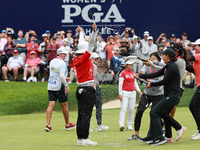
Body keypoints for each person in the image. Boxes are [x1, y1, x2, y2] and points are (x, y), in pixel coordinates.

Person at [137, 48, 186, 146]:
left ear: (167, 56)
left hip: (173, 96)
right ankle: (176, 129)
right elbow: (155, 74)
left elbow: (165, 81)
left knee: (155, 112)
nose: (162, 56)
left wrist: (152, 84)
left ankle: (159, 138)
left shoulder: (172, 67)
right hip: (170, 95)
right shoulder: (168, 66)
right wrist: (139, 76)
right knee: (161, 113)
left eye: (163, 55)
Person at [127, 52, 164, 141]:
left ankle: (161, 130)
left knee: (154, 114)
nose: (151, 60)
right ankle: (136, 134)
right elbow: (142, 77)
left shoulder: (161, 68)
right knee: (139, 112)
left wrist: (148, 83)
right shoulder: (146, 66)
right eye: (150, 58)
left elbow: (158, 83)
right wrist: (138, 77)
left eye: (154, 59)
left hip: (158, 95)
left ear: (159, 61)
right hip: (147, 94)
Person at [73, 23, 98, 146]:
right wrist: (94, 31)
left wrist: (81, 32)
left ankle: (80, 139)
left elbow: (82, 43)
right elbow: (91, 43)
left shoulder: (77, 59)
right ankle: (85, 138)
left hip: (80, 89)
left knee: (80, 115)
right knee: (86, 115)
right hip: (88, 89)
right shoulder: (85, 57)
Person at [45, 48, 76, 132]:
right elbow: (61, 76)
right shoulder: (62, 63)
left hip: (51, 84)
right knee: (64, 105)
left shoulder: (52, 61)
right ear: (60, 54)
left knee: (51, 104)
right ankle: (67, 124)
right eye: (64, 54)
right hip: (60, 86)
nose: (65, 56)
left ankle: (48, 125)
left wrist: (64, 78)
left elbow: (55, 74)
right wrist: (66, 86)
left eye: (66, 54)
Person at [118, 59, 142, 131]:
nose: (132, 66)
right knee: (124, 108)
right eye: (131, 65)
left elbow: (135, 83)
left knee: (131, 110)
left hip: (132, 93)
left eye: (132, 65)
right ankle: (121, 124)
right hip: (125, 93)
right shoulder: (123, 73)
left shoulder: (133, 73)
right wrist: (120, 94)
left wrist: (139, 91)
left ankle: (129, 125)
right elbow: (120, 84)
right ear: (127, 65)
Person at [90, 52, 109, 132]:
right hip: (94, 87)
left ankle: (95, 125)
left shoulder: (92, 65)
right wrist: (94, 89)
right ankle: (99, 125)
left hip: (91, 86)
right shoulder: (93, 66)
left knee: (92, 107)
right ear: (92, 59)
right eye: (96, 58)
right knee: (97, 106)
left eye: (97, 58)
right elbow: (93, 78)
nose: (97, 60)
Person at [188, 39, 200, 140]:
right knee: (193, 107)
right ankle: (199, 129)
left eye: (196, 46)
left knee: (194, 107)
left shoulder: (199, 55)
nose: (194, 47)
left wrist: (184, 52)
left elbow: (189, 57)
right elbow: (191, 69)